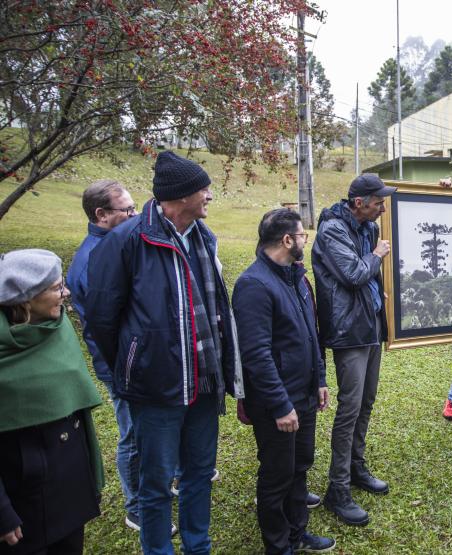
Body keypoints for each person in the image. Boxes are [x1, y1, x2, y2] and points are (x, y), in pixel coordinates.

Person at [86, 151, 244, 554]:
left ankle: (198, 547)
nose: (209, 195)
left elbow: (216, 311)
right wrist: (133, 367)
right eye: (202, 189)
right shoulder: (128, 240)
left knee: (199, 475)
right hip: (156, 389)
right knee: (155, 485)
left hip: (205, 384)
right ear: (179, 196)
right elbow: (103, 321)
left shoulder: (205, 238)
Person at [233, 209, 335, 554]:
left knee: (300, 467)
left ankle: (297, 533)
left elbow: (311, 334)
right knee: (277, 476)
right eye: (302, 235)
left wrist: (320, 379)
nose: (306, 239)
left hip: (305, 396)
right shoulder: (253, 285)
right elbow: (257, 355)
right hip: (278, 405)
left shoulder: (296, 277)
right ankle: (278, 546)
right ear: (287, 240)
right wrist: (280, 406)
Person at [0, 249, 104, 553]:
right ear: (26, 298)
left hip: (68, 480)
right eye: (57, 287)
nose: (67, 292)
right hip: (21, 498)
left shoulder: (58, 328)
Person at [312, 174, 394, 527]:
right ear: (359, 202)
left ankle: (356, 467)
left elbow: (370, 278)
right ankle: (337, 488)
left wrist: (382, 292)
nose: (383, 207)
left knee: (368, 400)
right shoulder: (332, 230)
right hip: (349, 330)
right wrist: (377, 257)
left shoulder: (368, 228)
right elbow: (353, 273)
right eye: (378, 202)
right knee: (350, 407)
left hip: (370, 322)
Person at [65, 179, 147, 533]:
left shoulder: (119, 242)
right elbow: (100, 329)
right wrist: (122, 368)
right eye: (126, 209)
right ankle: (136, 507)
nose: (133, 214)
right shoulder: (91, 260)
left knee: (147, 428)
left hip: (134, 359)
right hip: (118, 365)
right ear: (101, 215)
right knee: (131, 434)